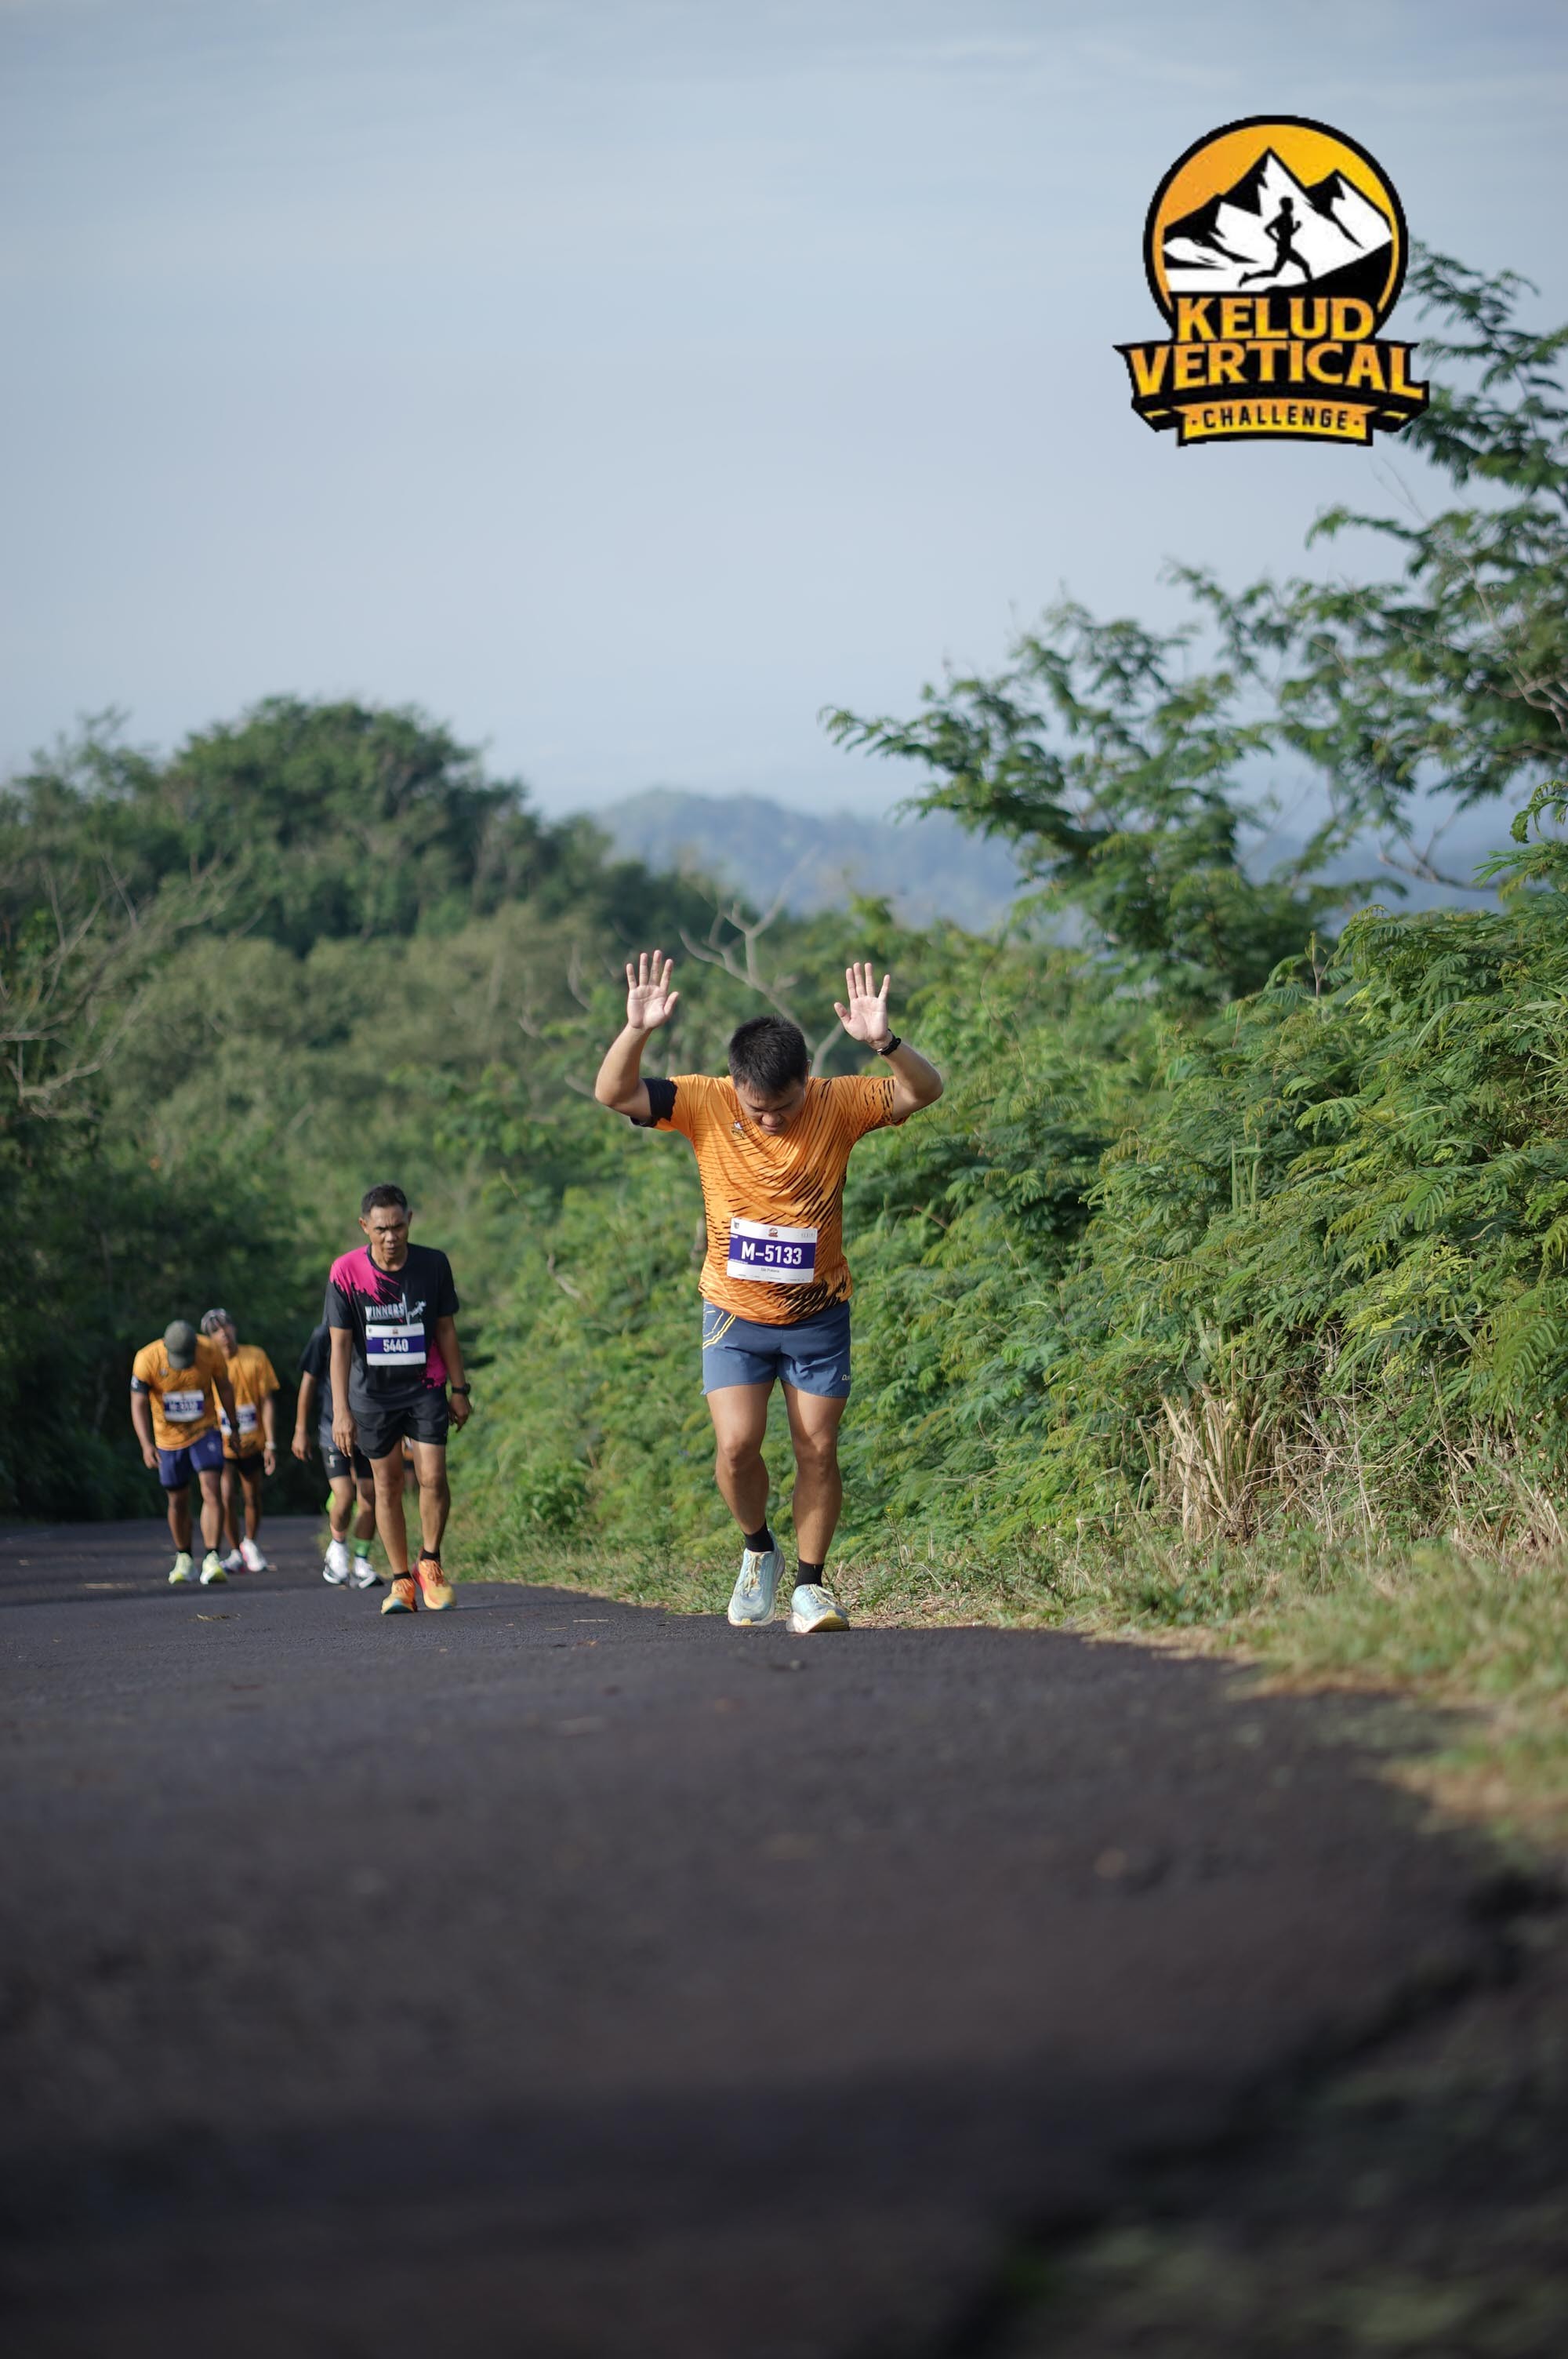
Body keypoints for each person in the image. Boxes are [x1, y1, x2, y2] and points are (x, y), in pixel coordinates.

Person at [593, 951, 943, 1634]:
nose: (772, 1121)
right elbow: (613, 1093)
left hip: (818, 1315)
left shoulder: (839, 1102)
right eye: (759, 1111)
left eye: (784, 1108)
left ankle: (811, 1586)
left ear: (806, 1079)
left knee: (817, 1448)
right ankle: (759, 1548)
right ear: (736, 1085)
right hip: (734, 1314)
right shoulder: (703, 1101)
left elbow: (925, 1091)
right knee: (736, 1447)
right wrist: (636, 1030)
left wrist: (886, 1044)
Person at [325, 1184, 472, 1616]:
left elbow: (445, 1329)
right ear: (365, 1227)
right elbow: (339, 1346)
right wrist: (341, 1412)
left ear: (409, 1220)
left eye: (398, 1227)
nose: (391, 1237)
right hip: (372, 1396)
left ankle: (430, 1563)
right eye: (381, 1229)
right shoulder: (346, 1272)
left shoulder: (433, 1264)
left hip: (425, 1386)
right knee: (386, 1485)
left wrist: (460, 1390)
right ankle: (400, 1581)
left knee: (434, 1477)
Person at [129, 1318, 245, 1587]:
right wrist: (146, 1444)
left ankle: (212, 1556)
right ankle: (184, 1557)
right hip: (168, 1438)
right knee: (178, 1499)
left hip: (205, 1429)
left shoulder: (210, 1351)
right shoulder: (147, 1359)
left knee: (211, 1488)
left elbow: (224, 1387)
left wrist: (233, 1427)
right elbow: (138, 1403)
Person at [293, 1318, 381, 1587]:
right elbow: (308, 1382)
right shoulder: (323, 1334)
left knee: (370, 1495)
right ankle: (338, 1547)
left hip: (369, 1426)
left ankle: (362, 1561)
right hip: (333, 1427)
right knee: (344, 1497)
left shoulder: (374, 1327)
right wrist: (300, 1429)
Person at [201, 1308, 279, 1573]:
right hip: (221, 1440)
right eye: (215, 1331)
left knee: (252, 1495)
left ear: (234, 1328)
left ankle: (250, 1543)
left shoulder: (255, 1356)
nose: (223, 1334)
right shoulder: (207, 1363)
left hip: (252, 1440)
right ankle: (234, 1551)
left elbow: (267, 1401)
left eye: (226, 1327)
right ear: (209, 1338)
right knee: (225, 1495)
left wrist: (270, 1443)